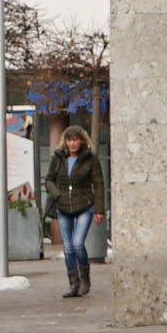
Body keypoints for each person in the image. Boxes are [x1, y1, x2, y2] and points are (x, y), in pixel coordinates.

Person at [46, 125, 105, 297]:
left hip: (84, 206)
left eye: (75, 140)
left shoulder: (90, 159)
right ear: (65, 141)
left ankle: (85, 278)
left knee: (77, 243)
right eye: (69, 140)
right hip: (63, 206)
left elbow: (99, 184)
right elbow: (49, 179)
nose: (72, 144)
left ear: (81, 140)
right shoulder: (58, 158)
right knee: (68, 248)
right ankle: (73, 283)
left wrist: (99, 209)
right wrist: (57, 194)